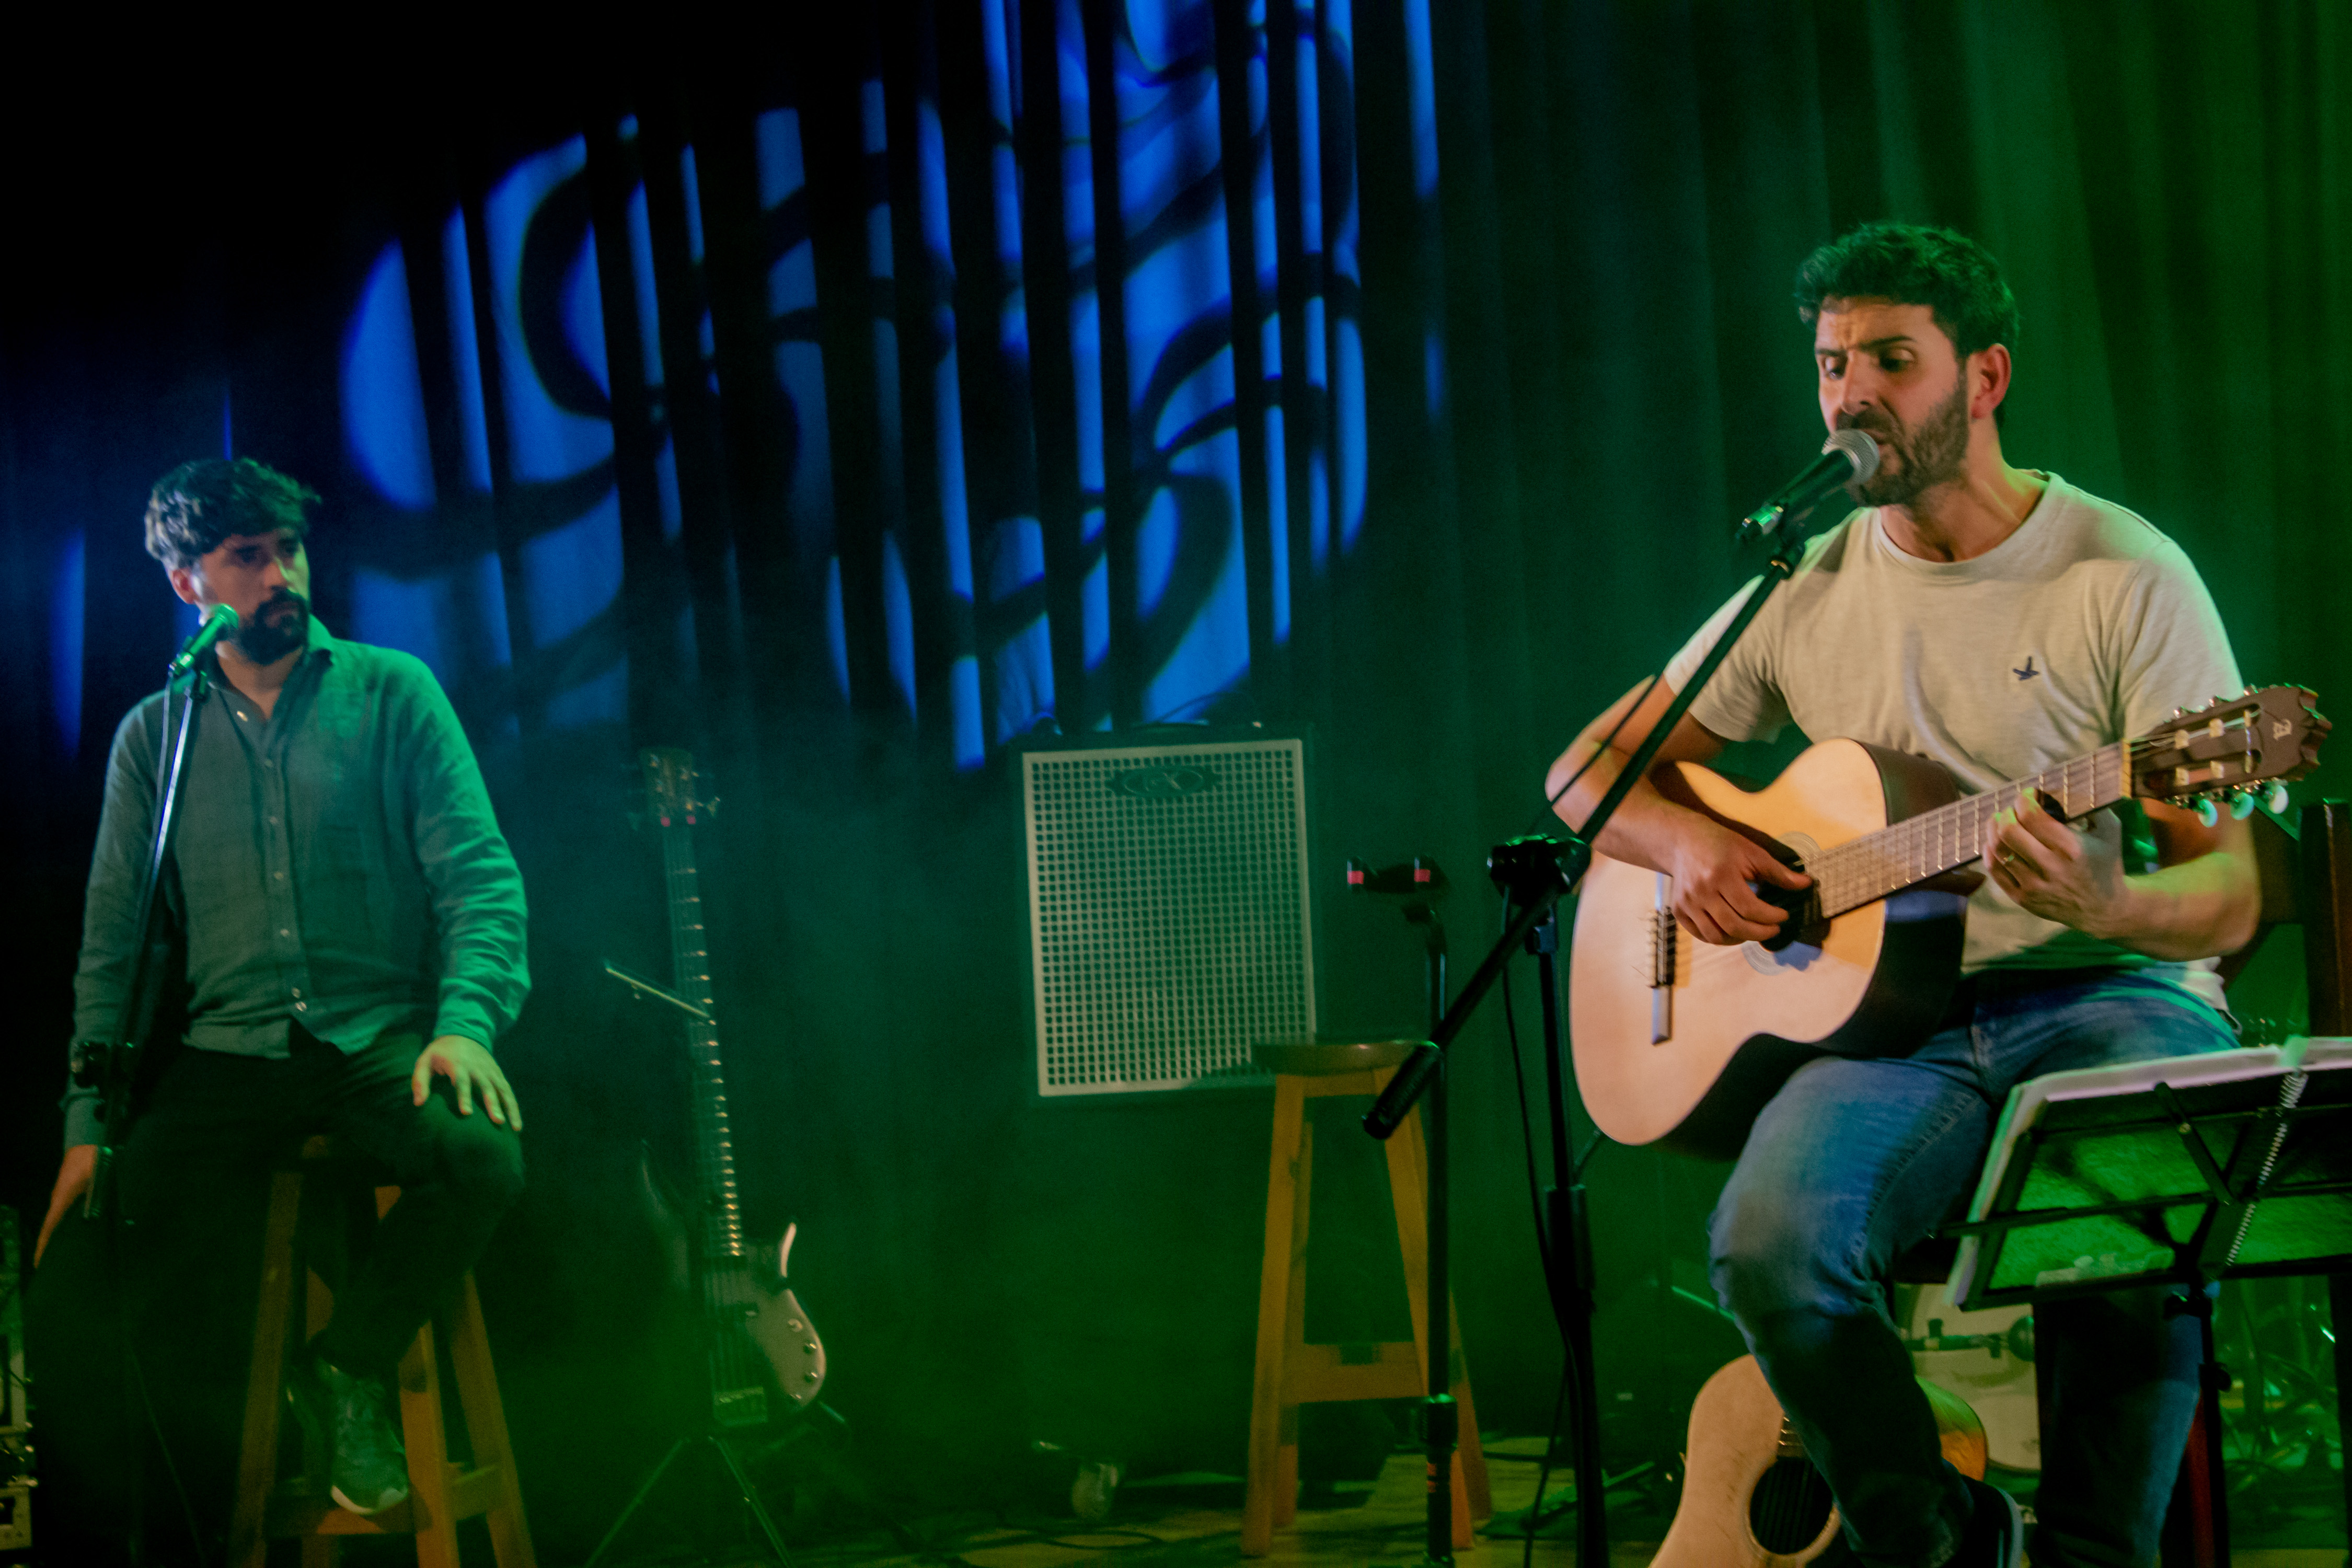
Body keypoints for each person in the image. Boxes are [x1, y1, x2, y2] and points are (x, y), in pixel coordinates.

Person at [1546, 224, 2262, 1567]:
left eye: (1891, 359)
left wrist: (2115, 908)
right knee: (1767, 1248)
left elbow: (2225, 896)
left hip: (2102, 997)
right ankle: (1937, 1543)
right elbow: (1586, 770)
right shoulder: (1801, 580)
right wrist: (1690, 851)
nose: (1851, 394)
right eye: (1831, 364)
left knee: (2139, 1203)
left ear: (1984, 378)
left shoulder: (2125, 573)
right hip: (1894, 1028)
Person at [27, 458, 530, 1559]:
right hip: (230, 1056)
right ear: (188, 584)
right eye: (247, 557)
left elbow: (480, 878)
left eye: (288, 549)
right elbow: (110, 949)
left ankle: (343, 1368)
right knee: (77, 1276)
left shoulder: (394, 692)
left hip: (374, 1040)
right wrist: (86, 1127)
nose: (279, 574)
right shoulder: (150, 740)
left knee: (482, 1160)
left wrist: (464, 1024)